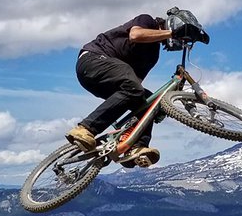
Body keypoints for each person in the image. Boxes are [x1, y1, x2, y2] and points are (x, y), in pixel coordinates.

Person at [66, 12, 204, 167]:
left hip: (105, 79)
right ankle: (85, 129)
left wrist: (155, 110)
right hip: (93, 60)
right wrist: (172, 33)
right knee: (135, 90)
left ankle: (135, 148)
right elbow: (135, 35)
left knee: (148, 103)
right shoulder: (147, 21)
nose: (181, 43)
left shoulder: (152, 56)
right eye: (182, 39)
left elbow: (135, 87)